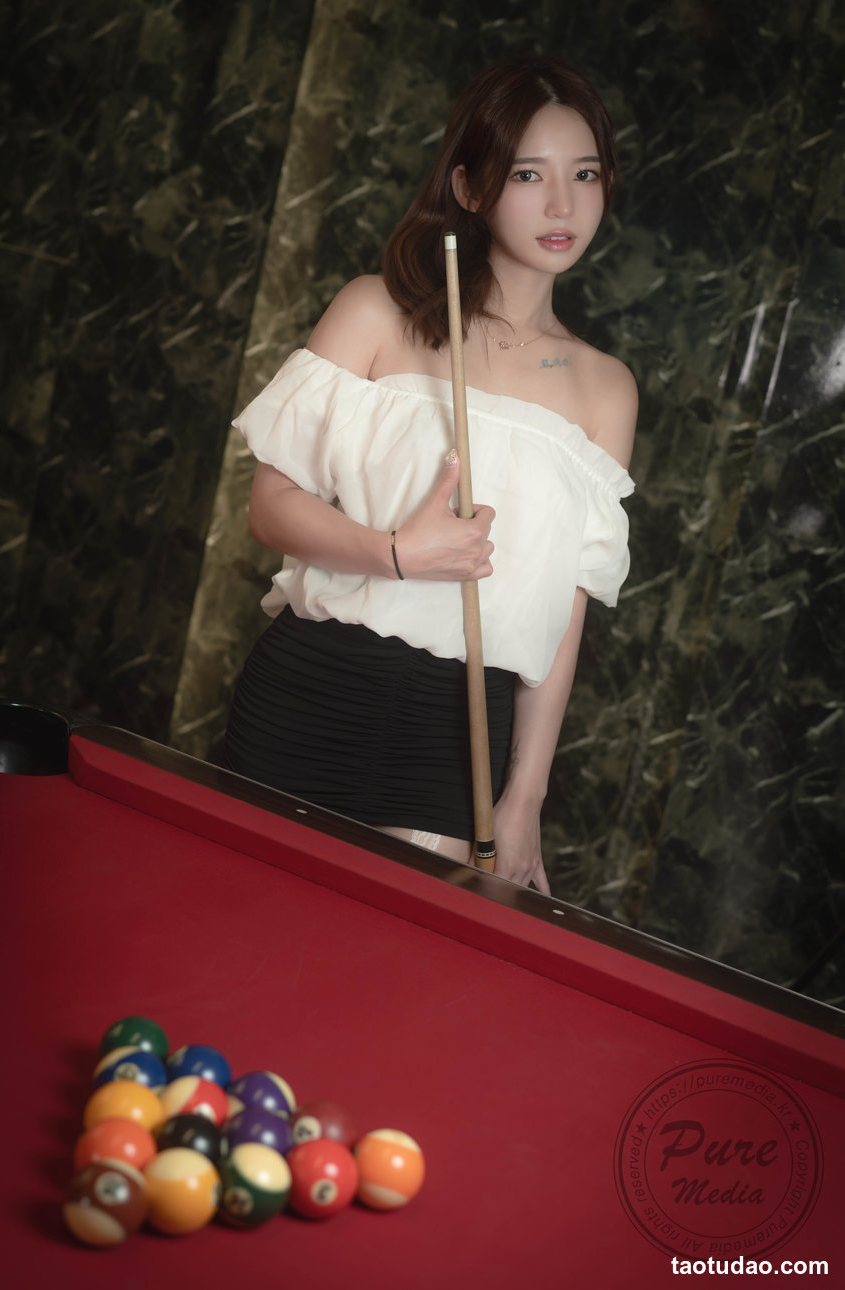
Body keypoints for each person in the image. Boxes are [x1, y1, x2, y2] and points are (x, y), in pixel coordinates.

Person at [223, 54, 636, 895]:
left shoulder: (607, 389)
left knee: (376, 961)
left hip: (457, 731)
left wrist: (526, 798)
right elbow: (270, 508)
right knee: (234, 923)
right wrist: (396, 553)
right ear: (471, 187)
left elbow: (564, 616)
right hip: (312, 683)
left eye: (585, 174)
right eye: (529, 174)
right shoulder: (374, 310)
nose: (564, 205)